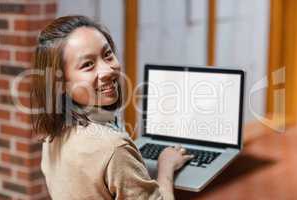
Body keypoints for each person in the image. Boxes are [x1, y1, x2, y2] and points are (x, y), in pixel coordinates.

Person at [31, 15, 193, 200]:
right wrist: (166, 167)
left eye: (107, 54)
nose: (108, 70)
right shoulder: (114, 148)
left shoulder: (52, 133)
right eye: (87, 64)